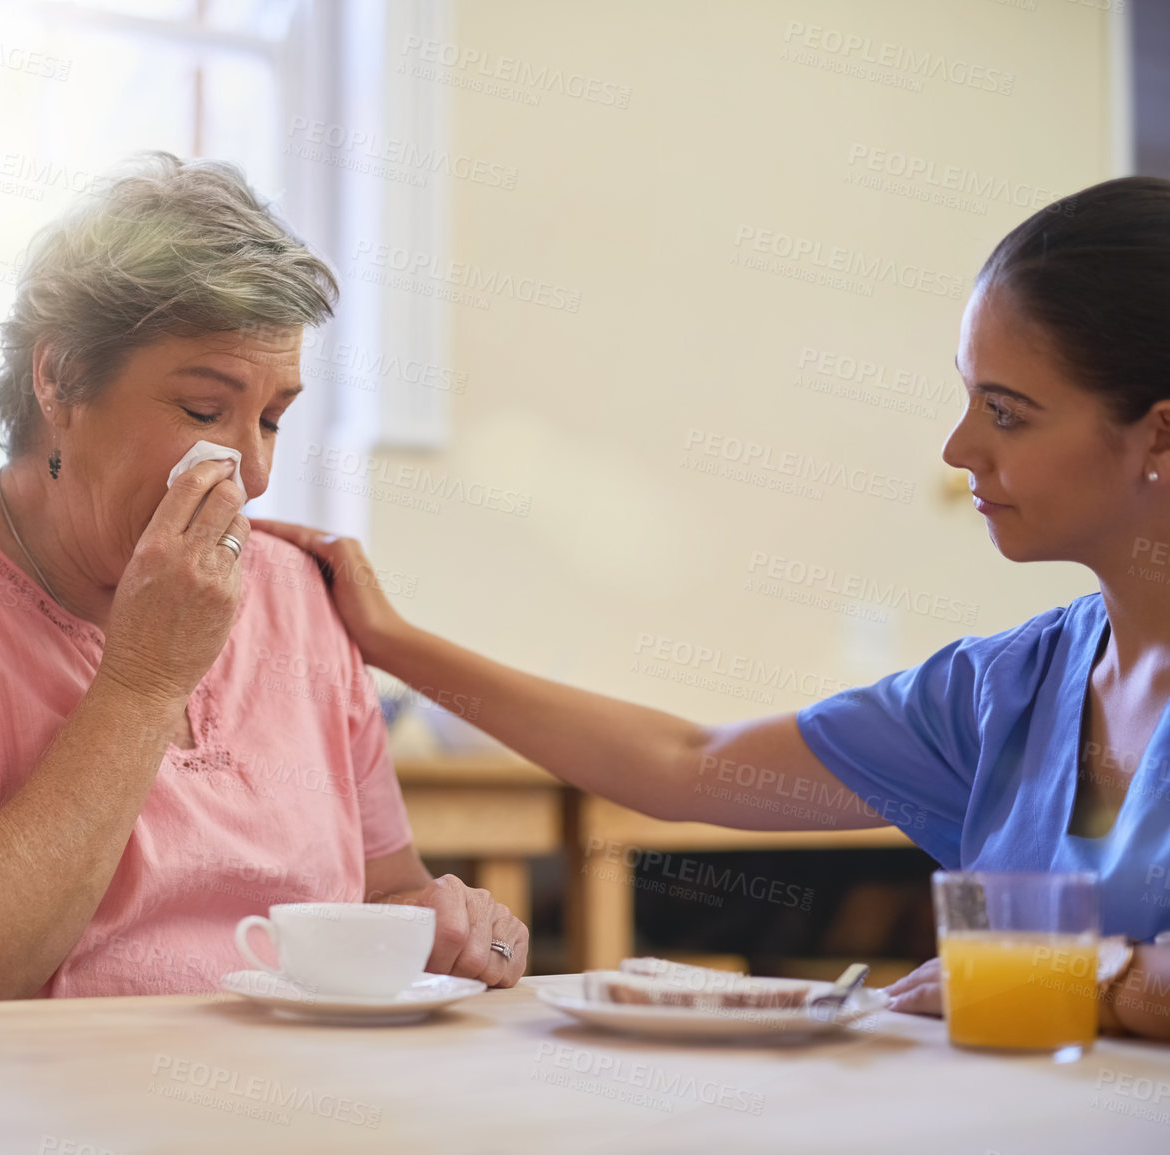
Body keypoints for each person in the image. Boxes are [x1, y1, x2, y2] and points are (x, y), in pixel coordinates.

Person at [259, 176, 1170, 1040]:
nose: (957, 446)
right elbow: (683, 763)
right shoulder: (1008, 688)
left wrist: (1084, 980)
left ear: (1157, 433)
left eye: (1005, 412)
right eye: (967, 398)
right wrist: (394, 642)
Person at [0, 153, 528, 1012]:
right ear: (60, 377)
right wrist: (145, 679)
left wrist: (441, 926)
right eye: (203, 410)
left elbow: (378, 895)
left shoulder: (292, 594)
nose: (249, 470)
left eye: (272, 419)